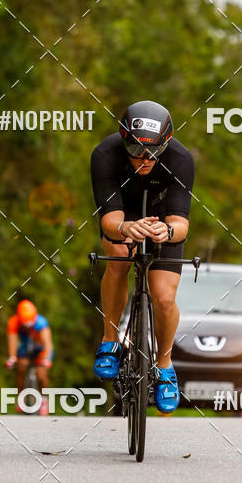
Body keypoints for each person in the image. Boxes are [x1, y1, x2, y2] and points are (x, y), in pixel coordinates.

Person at [90, 100, 194, 413]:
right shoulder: (105, 155)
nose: (145, 159)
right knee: (118, 258)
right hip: (124, 215)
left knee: (163, 298)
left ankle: (164, 365)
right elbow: (110, 220)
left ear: (167, 144)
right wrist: (125, 227)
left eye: (154, 152)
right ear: (124, 140)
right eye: (136, 150)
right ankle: (110, 340)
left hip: (163, 219)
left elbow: (181, 224)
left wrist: (168, 231)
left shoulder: (180, 159)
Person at [6, 300, 53, 415]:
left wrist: (46, 359)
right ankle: (20, 398)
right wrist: (12, 358)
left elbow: (47, 343)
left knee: (41, 374)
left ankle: (44, 399)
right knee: (21, 367)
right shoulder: (13, 322)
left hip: (41, 349)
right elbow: (12, 342)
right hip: (25, 347)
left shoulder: (41, 322)